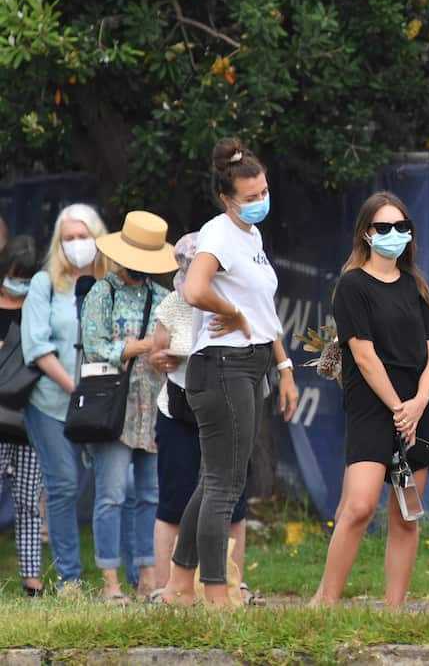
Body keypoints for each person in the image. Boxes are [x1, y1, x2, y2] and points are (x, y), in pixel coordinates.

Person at [162, 137, 299, 607]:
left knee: (215, 478)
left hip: (248, 363)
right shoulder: (219, 230)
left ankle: (180, 587)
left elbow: (263, 310)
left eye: (264, 192)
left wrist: (283, 366)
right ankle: (216, 594)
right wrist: (233, 312)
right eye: (250, 197)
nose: (261, 201)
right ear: (226, 198)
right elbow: (196, 289)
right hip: (223, 365)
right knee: (226, 483)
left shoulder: (250, 236)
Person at [311, 191, 429, 609]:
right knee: (359, 506)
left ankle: (394, 609)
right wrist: (398, 408)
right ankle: (324, 601)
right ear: (367, 234)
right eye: (383, 228)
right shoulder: (351, 286)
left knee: (407, 514)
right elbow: (364, 356)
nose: (393, 234)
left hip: (416, 410)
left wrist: (418, 402)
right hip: (373, 408)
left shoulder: (415, 286)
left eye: (401, 227)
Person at [146, 234, 255, 603]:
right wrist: (162, 359)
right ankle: (167, 588)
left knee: (232, 499)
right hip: (179, 411)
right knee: (175, 500)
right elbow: (156, 354)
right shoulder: (172, 304)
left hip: (228, 409)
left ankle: (232, 583)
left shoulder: (236, 302)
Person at [81, 211, 177, 601]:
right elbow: (94, 346)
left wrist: (166, 356)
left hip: (154, 405)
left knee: (150, 495)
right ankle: (110, 582)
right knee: (112, 494)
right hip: (113, 408)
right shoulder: (102, 293)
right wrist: (142, 348)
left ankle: (148, 577)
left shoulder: (166, 298)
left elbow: (176, 345)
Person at [21, 202, 111, 594]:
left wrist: (95, 395)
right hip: (51, 403)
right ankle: (70, 580)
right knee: (62, 486)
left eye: (84, 236)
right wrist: (79, 391)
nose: (77, 244)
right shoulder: (44, 284)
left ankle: (130, 579)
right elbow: (38, 348)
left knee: (115, 487)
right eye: (69, 238)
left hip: (105, 406)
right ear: (59, 243)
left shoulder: (112, 282)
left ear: (98, 238)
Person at [0, 236, 46, 595]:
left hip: (30, 414)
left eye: (27, 277)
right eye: (16, 275)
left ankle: (32, 579)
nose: (21, 283)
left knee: (30, 500)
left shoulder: (39, 304)